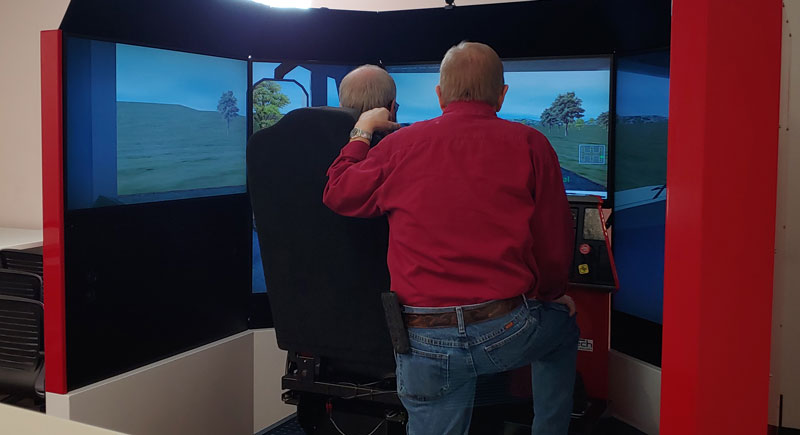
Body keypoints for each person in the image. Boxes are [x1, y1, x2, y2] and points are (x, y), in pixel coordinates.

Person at [323, 42, 579, 435]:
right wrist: (550, 293)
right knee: (562, 329)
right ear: (501, 94)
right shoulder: (532, 144)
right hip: (504, 330)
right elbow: (553, 242)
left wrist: (363, 129)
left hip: (424, 337)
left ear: (440, 95)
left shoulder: (399, 146)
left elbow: (339, 192)